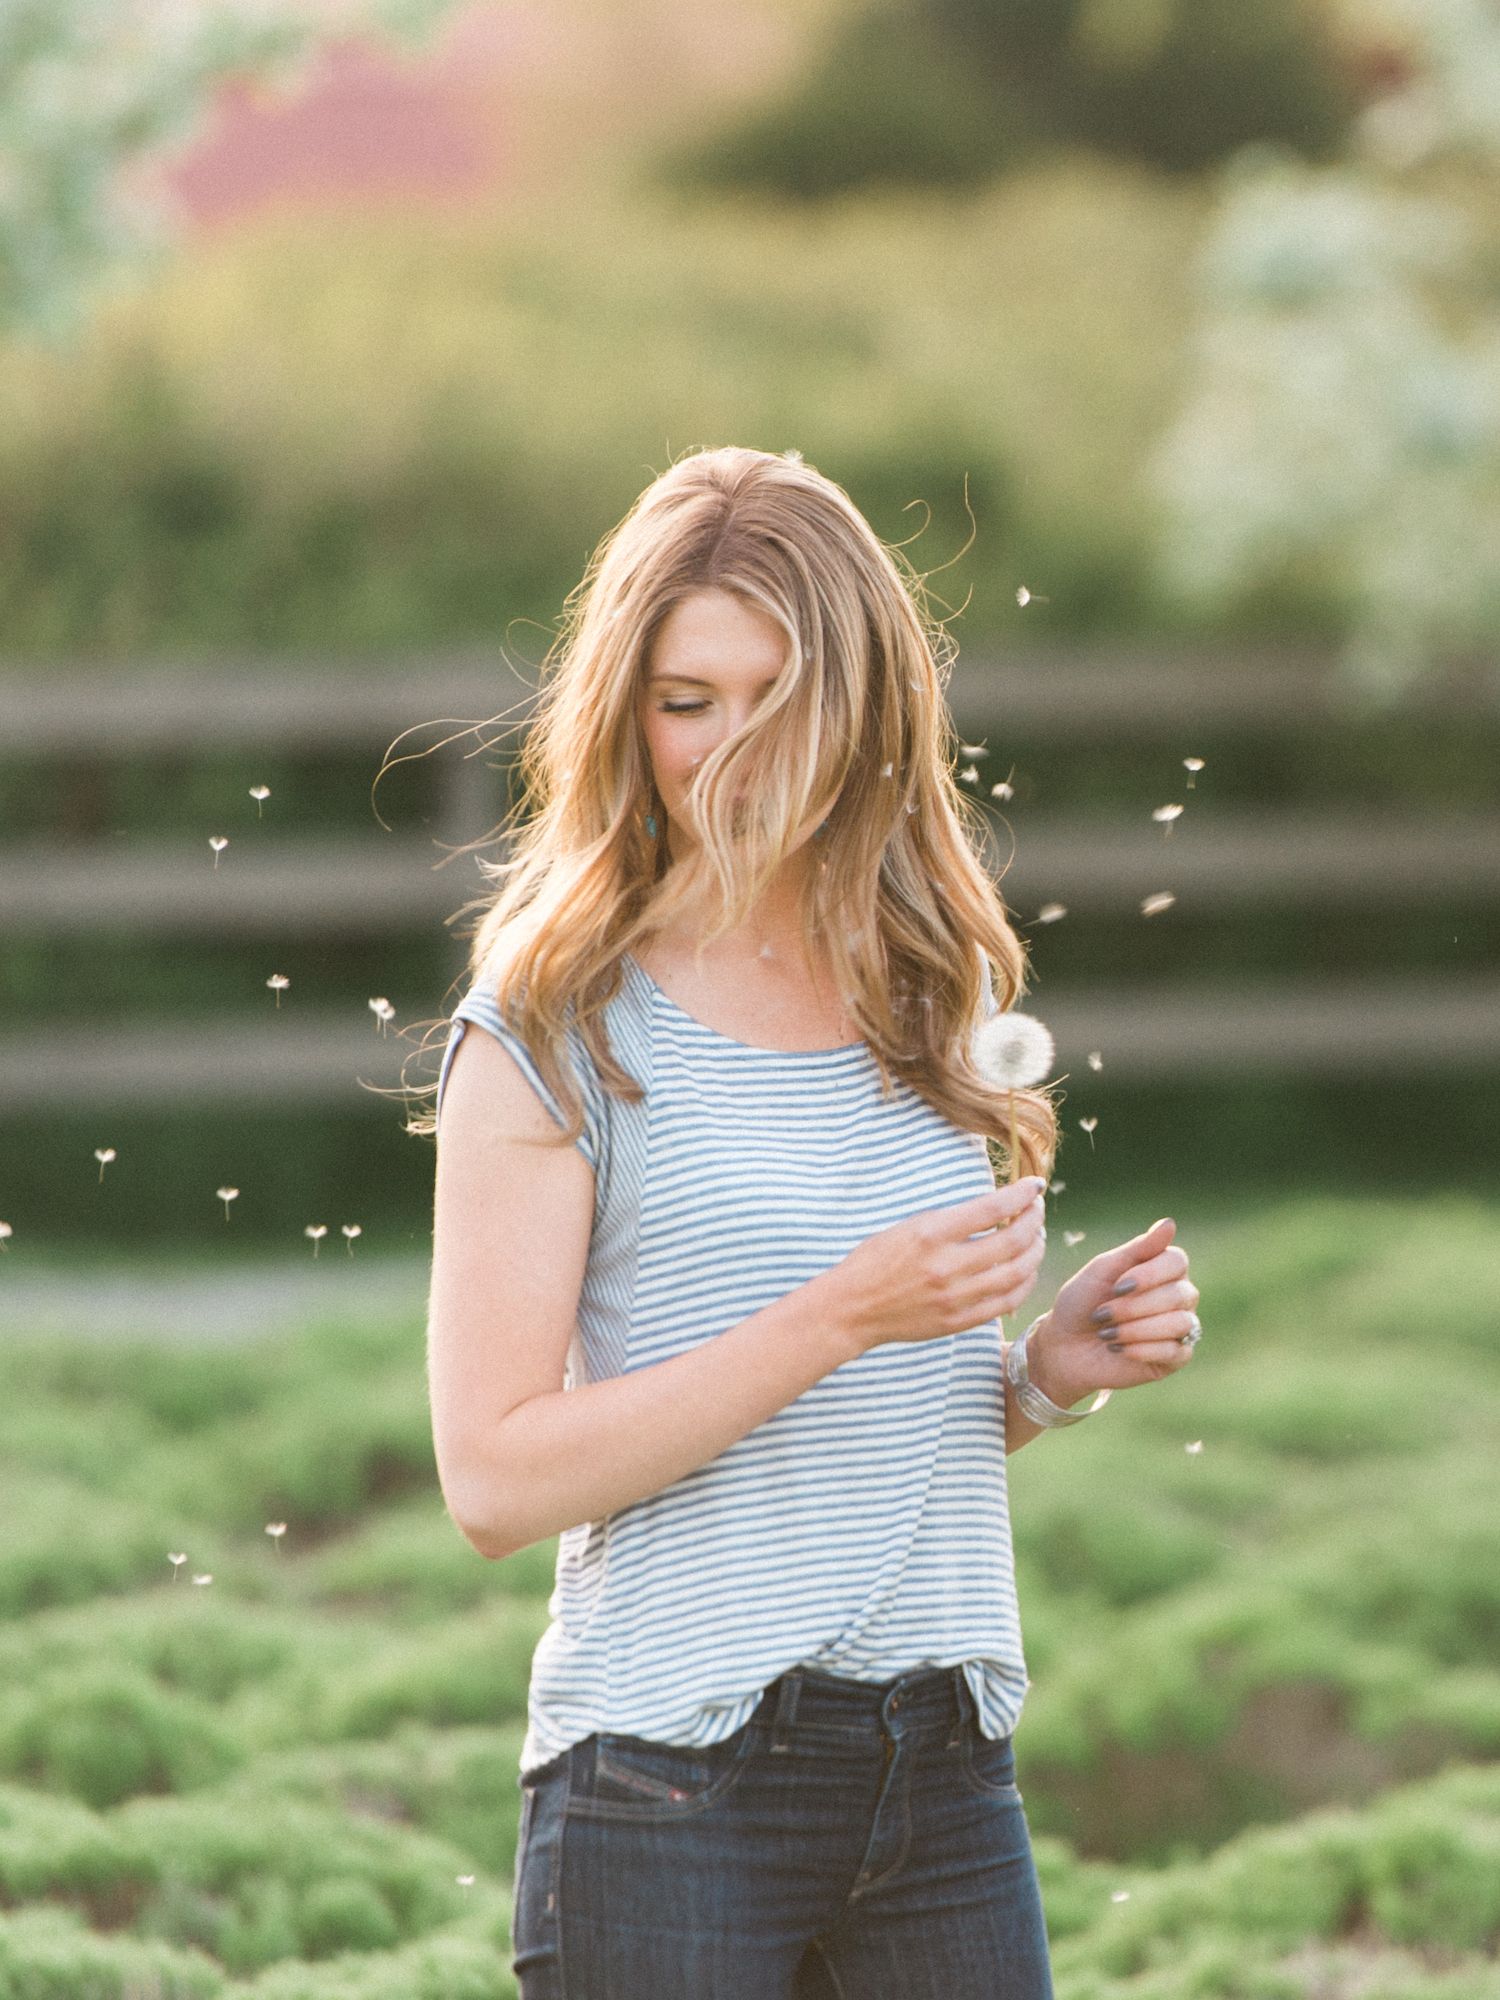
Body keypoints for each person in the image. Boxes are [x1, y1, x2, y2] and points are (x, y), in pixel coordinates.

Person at [426, 447, 1200, 2000]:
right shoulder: (555, 1022)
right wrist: (839, 1311)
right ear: (621, 710)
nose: (721, 752)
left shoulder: (933, 991)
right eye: (682, 700)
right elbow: (495, 1479)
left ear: (864, 710)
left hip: (944, 1771)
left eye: (772, 702)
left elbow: (853, 1442)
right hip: (666, 1792)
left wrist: (1040, 1376)